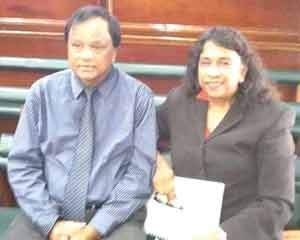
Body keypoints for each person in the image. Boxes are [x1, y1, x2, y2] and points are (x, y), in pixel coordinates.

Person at [5, 5, 156, 240]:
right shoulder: (42, 93)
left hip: (114, 218)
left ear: (115, 51)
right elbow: (23, 164)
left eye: (97, 47)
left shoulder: (139, 98)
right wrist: (50, 224)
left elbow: (139, 175)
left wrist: (94, 229)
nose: (85, 55)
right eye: (76, 46)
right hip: (47, 210)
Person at [153, 26, 296, 240]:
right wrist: (157, 164)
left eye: (224, 63)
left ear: (243, 71)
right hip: (179, 228)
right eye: (206, 62)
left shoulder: (272, 117)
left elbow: (276, 203)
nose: (212, 72)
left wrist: (221, 235)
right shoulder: (180, 101)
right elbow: (142, 132)